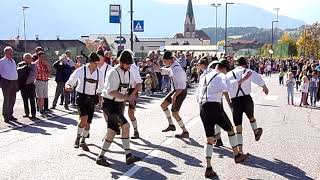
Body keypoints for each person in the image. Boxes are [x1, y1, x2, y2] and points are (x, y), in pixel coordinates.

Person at [197, 59, 249, 178]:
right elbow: (229, 87)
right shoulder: (221, 76)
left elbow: (197, 94)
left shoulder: (204, 76)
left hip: (202, 107)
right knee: (231, 130)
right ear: (224, 68)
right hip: (214, 106)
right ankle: (237, 155)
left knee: (209, 139)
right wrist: (242, 79)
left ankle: (208, 168)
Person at [96, 50, 141, 167]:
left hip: (119, 104)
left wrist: (134, 93)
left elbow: (135, 85)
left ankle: (101, 157)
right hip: (110, 105)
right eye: (127, 64)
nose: (129, 66)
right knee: (126, 126)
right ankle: (128, 155)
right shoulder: (113, 72)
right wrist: (127, 97)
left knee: (112, 131)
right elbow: (112, 91)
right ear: (121, 62)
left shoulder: (129, 72)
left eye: (130, 64)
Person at [226, 57, 269, 154]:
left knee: (238, 127)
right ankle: (255, 131)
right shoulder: (248, 71)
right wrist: (264, 87)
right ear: (245, 64)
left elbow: (226, 88)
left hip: (235, 101)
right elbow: (258, 78)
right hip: (246, 99)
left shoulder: (229, 74)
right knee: (251, 117)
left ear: (236, 65)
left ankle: (240, 150)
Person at [65, 52, 104, 151]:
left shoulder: (100, 73)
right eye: (95, 63)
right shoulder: (81, 70)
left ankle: (83, 141)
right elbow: (71, 81)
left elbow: (101, 88)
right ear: (90, 62)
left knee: (88, 123)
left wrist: (100, 101)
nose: (97, 65)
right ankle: (77, 138)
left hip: (92, 99)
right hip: (81, 97)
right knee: (84, 119)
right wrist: (68, 86)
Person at [160, 51, 189, 138]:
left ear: (169, 60)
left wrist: (175, 96)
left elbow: (182, 86)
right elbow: (167, 70)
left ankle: (185, 131)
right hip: (175, 90)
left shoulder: (177, 69)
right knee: (163, 105)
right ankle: (171, 125)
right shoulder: (173, 66)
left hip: (180, 91)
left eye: (164, 60)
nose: (163, 62)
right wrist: (159, 68)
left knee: (175, 113)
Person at [127, 52, 143, 139]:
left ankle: (136, 131)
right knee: (119, 111)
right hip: (123, 90)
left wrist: (133, 94)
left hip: (132, 90)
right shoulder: (122, 67)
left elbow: (139, 83)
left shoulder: (133, 68)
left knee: (131, 113)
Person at [0, 46, 18, 123]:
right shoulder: (1, 61)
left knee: (13, 99)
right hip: (6, 82)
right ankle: (5, 115)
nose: (12, 53)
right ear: (5, 52)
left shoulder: (13, 61)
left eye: (12, 52)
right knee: (6, 99)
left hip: (14, 82)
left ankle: (10, 114)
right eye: (10, 52)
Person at [17, 53, 37, 119]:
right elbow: (18, 73)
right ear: (23, 58)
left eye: (29, 57)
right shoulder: (20, 64)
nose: (28, 59)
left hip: (30, 85)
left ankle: (33, 114)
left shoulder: (33, 65)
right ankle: (27, 113)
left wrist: (26, 81)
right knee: (25, 100)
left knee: (32, 100)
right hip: (23, 85)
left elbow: (32, 75)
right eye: (26, 57)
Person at [35, 51, 52, 116]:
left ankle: (41, 109)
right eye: (42, 57)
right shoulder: (36, 63)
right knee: (40, 97)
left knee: (44, 97)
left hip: (45, 81)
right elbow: (41, 72)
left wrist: (47, 65)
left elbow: (50, 73)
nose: (43, 58)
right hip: (39, 81)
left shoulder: (45, 63)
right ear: (38, 56)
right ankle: (40, 110)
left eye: (44, 57)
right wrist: (47, 73)